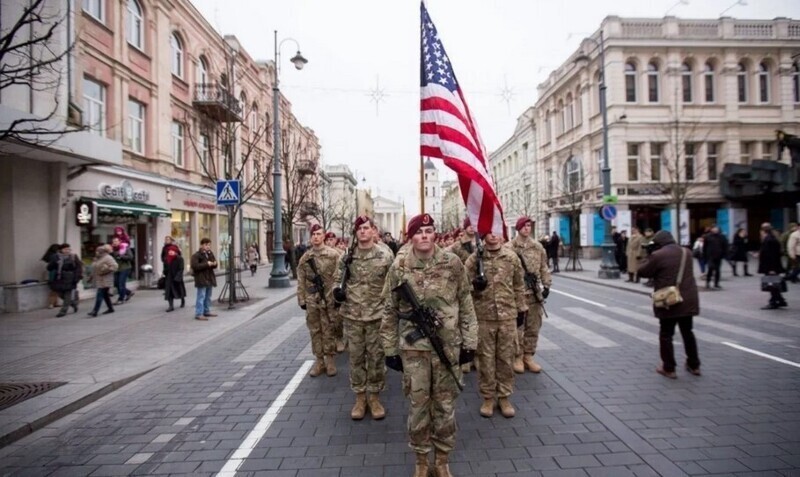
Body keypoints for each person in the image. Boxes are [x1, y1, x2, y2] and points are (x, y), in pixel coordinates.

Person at [381, 213, 477, 477]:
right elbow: (389, 310)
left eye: (429, 230)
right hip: (414, 353)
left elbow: (466, 304)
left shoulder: (452, 262)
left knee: (445, 407)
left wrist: (470, 343)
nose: (424, 236)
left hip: (447, 348)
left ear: (435, 234)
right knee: (418, 407)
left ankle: (442, 460)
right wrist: (390, 350)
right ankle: (422, 462)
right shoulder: (399, 267)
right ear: (411, 236)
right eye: (419, 232)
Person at [334, 216, 394, 420]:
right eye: (359, 228)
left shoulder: (385, 255)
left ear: (373, 230)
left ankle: (375, 397)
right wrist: (337, 291)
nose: (363, 232)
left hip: (377, 316)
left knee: (377, 358)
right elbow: (337, 278)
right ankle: (360, 398)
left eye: (366, 228)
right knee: (356, 358)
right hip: (353, 316)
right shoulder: (347, 257)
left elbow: (394, 283)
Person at [466, 231, 527, 418]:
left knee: (506, 359)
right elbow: (462, 286)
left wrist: (521, 308)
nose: (493, 235)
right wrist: (474, 286)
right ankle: (488, 397)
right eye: (489, 232)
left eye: (496, 231)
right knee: (485, 360)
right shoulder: (475, 259)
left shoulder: (511, 257)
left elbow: (518, 285)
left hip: (507, 316)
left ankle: (504, 396)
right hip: (483, 317)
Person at [637, 230, 701, 379]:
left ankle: (669, 368)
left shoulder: (658, 255)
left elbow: (643, 272)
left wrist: (649, 255)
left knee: (666, 334)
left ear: (658, 243)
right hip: (687, 299)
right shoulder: (687, 252)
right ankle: (694, 365)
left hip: (669, 300)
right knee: (688, 332)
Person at [297, 224, 341, 377]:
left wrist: (337, 295)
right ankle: (319, 361)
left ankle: (330, 361)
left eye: (318, 234)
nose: (316, 236)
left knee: (329, 329)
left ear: (324, 236)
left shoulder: (333, 255)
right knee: (315, 330)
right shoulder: (306, 257)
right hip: (312, 300)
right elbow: (301, 278)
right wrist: (301, 299)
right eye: (313, 234)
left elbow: (339, 276)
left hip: (328, 298)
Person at [509, 217, 552, 374]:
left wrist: (546, 285)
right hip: (517, 295)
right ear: (518, 228)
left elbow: (544, 267)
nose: (527, 228)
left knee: (533, 327)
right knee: (518, 328)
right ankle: (518, 357)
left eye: (529, 226)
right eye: (524, 226)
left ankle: (528, 356)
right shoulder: (510, 247)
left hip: (534, 294)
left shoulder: (537, 247)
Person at [446, 217, 477, 374]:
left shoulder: (480, 244)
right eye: (468, 225)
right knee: (462, 323)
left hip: (481, 293)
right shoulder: (457, 247)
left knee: (478, 326)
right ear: (464, 228)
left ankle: (477, 357)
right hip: (465, 290)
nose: (471, 228)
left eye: (473, 225)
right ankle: (465, 360)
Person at [47, 243, 83, 317]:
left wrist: (77, 277)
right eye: (65, 249)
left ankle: (63, 311)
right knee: (60, 293)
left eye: (68, 249)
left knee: (67, 294)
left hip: (70, 277)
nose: (67, 251)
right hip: (59, 277)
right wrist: (55, 263)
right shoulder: (56, 257)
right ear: (61, 250)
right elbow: (49, 268)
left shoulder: (73, 256)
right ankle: (73, 303)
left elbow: (78, 267)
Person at [758, 223, 787, 310]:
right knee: (774, 284)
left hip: (771, 267)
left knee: (772, 284)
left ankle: (774, 302)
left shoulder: (769, 240)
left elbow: (771, 255)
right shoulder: (771, 239)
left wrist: (772, 268)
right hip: (772, 266)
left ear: (763, 231)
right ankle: (780, 300)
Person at [190, 238, 218, 320]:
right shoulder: (196, 255)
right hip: (201, 278)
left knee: (208, 296)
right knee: (201, 296)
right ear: (201, 245)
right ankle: (199, 313)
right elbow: (195, 266)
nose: (208, 246)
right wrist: (207, 264)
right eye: (206, 245)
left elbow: (214, 264)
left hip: (209, 278)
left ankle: (206, 311)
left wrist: (214, 263)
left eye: (209, 245)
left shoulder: (210, 254)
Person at [87, 244, 117, 317]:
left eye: (98, 251)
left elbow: (114, 266)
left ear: (102, 251)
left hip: (106, 279)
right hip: (99, 279)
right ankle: (110, 308)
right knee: (105, 295)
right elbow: (95, 269)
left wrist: (105, 270)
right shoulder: (97, 259)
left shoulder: (108, 258)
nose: (96, 252)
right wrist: (91, 277)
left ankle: (95, 311)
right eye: (96, 251)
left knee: (99, 294)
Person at [702, 225, 728, 289]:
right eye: (714, 228)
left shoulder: (722, 237)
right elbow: (704, 247)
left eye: (716, 228)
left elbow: (725, 246)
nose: (715, 230)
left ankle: (716, 283)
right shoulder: (708, 236)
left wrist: (724, 254)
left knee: (717, 270)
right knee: (710, 268)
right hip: (710, 255)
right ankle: (708, 282)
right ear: (711, 229)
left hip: (718, 256)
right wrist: (704, 255)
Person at [111, 237, 134, 304]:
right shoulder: (112, 249)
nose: (115, 242)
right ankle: (128, 292)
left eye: (116, 241)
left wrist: (121, 256)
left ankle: (121, 299)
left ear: (119, 241)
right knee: (116, 283)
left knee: (121, 284)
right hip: (116, 268)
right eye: (114, 241)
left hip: (125, 268)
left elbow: (130, 257)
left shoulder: (125, 247)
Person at [163, 244, 186, 312]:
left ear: (175, 252)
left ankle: (182, 300)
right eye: (169, 251)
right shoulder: (166, 259)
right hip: (169, 278)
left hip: (177, 278)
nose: (170, 252)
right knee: (169, 292)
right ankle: (171, 306)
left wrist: (178, 277)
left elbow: (181, 269)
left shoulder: (179, 259)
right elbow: (165, 269)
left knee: (179, 290)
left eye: (172, 251)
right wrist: (164, 272)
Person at [42, 243, 62, 309]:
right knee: (54, 289)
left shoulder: (50, 255)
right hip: (54, 274)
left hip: (52, 274)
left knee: (55, 289)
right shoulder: (54, 256)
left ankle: (55, 303)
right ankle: (51, 303)